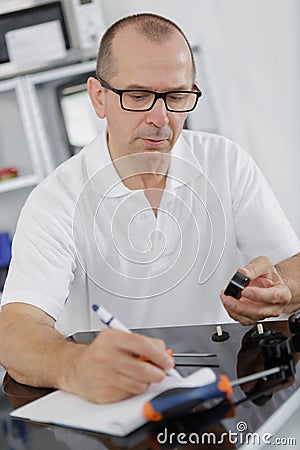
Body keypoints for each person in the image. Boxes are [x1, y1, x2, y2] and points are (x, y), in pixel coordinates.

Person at [0, 13, 299, 404]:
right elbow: (15, 328)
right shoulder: (57, 199)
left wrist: (280, 288)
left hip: (226, 390)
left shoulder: (225, 162)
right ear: (98, 97)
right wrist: (75, 365)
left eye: (176, 97)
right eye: (138, 96)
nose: (160, 119)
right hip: (118, 404)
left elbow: (292, 265)